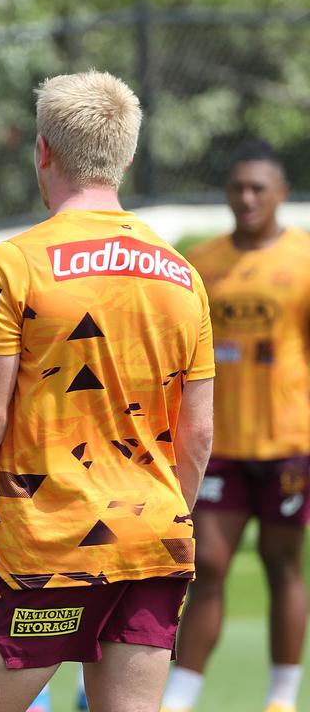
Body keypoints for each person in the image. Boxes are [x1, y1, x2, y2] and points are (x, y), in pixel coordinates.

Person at [0, 71, 215, 712]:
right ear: (127, 156)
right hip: (154, 542)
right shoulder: (183, 274)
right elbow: (199, 434)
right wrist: (164, 521)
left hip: (48, 547)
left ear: (43, 150)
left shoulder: (15, 262)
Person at [164, 141, 310, 712]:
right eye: (237, 188)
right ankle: (179, 696)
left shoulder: (302, 260)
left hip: (287, 447)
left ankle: (281, 696)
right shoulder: (202, 262)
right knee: (208, 564)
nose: (246, 198)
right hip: (218, 445)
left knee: (282, 564)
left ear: (281, 193)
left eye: (258, 188)